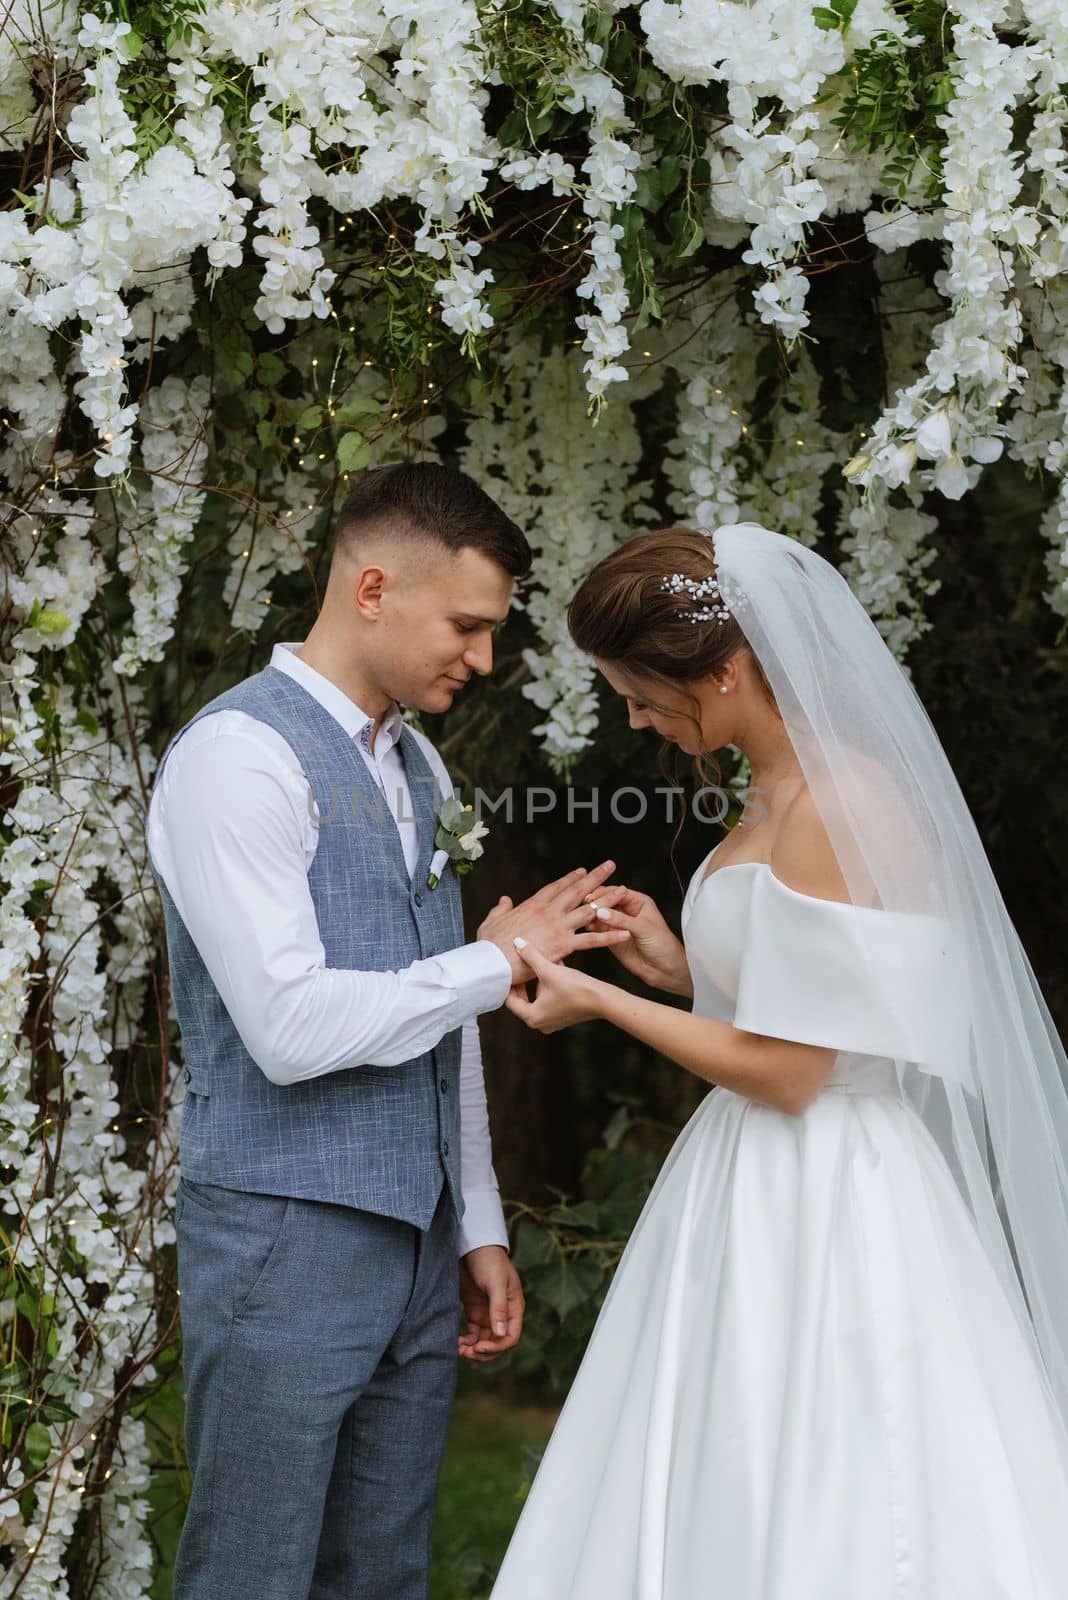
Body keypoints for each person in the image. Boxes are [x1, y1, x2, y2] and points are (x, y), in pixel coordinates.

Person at [491, 521, 1068, 1599]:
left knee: (833, 1461)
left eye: (642, 693)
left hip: (832, 1185)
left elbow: (798, 1069)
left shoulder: (837, 803)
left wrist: (605, 1002)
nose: (637, 719)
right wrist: (671, 964)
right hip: (749, 1178)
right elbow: (809, 1004)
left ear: (726, 669)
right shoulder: (772, 786)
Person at [145, 461, 630, 1600]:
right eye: (466, 624)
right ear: (372, 588)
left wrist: (477, 1222)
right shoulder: (238, 758)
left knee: (381, 1575)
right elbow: (290, 1026)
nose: (484, 657)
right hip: (283, 1238)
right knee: (253, 1572)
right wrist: (497, 956)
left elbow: (440, 1010)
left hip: (419, 1246)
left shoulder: (417, 764)